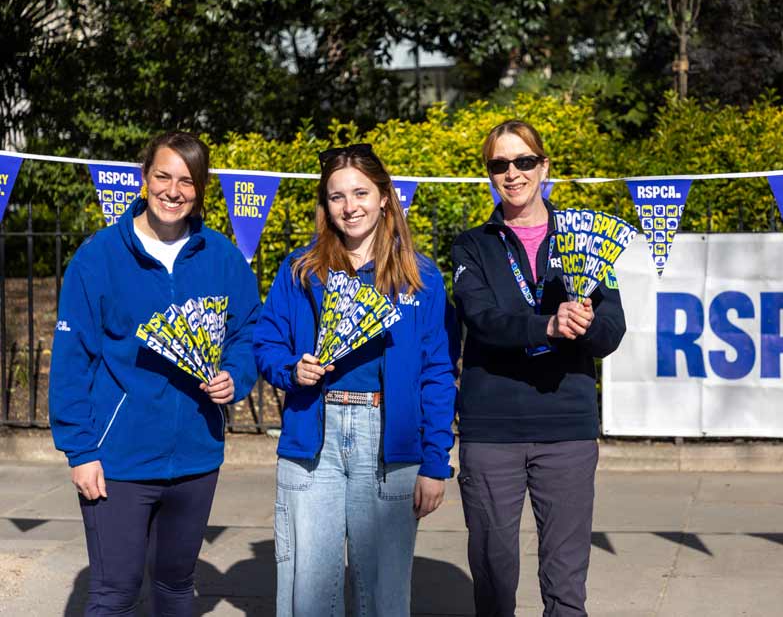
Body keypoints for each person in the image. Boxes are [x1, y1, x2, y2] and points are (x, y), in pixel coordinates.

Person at [49, 131, 261, 616]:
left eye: (187, 181)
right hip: (117, 460)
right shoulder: (98, 257)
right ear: (144, 179)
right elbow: (71, 361)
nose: (173, 190)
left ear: (201, 188)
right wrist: (80, 451)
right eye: (163, 176)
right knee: (114, 593)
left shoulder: (222, 257)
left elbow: (249, 331)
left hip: (196, 456)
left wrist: (235, 374)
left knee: (175, 587)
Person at [253, 143, 459, 617]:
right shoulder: (302, 270)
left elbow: (438, 373)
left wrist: (435, 463)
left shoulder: (420, 277)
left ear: (385, 197)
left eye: (361, 192)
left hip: (390, 439)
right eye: (337, 196)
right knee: (309, 593)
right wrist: (292, 370)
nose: (351, 206)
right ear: (325, 206)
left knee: (385, 597)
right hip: (314, 438)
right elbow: (266, 344)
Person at [451, 120, 627, 616]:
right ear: (489, 173)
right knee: (493, 577)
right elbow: (482, 320)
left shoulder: (584, 239)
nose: (512, 173)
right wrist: (548, 326)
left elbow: (612, 332)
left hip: (565, 429)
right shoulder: (472, 245)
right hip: (492, 432)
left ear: (544, 166)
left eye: (524, 161)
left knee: (566, 583)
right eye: (499, 164)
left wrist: (585, 324)